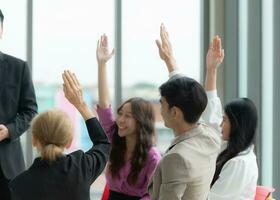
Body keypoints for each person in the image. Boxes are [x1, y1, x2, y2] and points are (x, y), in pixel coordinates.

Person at [9, 71, 111, 200]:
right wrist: (81, 105)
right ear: (69, 141)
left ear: (34, 140)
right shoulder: (82, 167)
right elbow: (103, 143)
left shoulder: (18, 185)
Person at [148, 24, 222, 200]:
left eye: (162, 103)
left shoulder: (177, 158)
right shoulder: (210, 136)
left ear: (175, 112)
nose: (160, 109)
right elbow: (204, 101)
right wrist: (170, 62)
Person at [96, 34, 161, 200]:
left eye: (128, 116)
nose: (121, 120)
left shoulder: (152, 156)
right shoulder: (114, 139)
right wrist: (102, 64)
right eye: (121, 114)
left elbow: (155, 195)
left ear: (141, 122)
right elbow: (104, 106)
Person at [204, 36, 258, 200]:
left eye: (225, 120)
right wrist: (211, 70)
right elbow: (211, 115)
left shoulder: (239, 162)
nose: (220, 124)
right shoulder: (233, 151)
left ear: (237, 124)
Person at [0, 9, 38, 200]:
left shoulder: (19, 67)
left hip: (8, 166)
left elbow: (30, 110)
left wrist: (9, 130)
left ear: (1, 30)